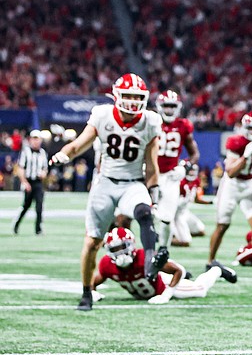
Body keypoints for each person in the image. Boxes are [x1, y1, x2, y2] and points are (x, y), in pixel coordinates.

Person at [49, 73, 166, 311]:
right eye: (128, 96)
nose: (133, 101)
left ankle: (150, 264)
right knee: (92, 242)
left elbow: (152, 164)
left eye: (137, 96)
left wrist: (153, 193)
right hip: (105, 183)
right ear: (116, 96)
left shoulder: (151, 121)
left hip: (133, 182)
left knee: (144, 213)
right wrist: (65, 154)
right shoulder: (102, 115)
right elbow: (78, 143)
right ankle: (86, 291)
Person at [207, 110, 252, 278]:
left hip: (250, 185)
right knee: (222, 226)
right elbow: (230, 172)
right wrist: (245, 155)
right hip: (232, 185)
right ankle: (210, 261)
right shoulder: (236, 141)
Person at [92, 228, 236, 305]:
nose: (120, 253)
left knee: (200, 290)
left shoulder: (144, 257)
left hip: (165, 284)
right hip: (151, 288)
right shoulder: (107, 264)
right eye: (115, 249)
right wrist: (91, 292)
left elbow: (178, 270)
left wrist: (166, 295)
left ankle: (216, 269)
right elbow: (93, 281)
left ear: (131, 245)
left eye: (122, 247)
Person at [154, 90, 199, 248]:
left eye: (172, 106)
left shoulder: (183, 125)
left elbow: (194, 154)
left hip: (170, 177)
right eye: (166, 106)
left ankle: (162, 251)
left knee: (167, 218)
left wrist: (185, 167)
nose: (169, 110)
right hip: (150, 174)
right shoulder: (151, 122)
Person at [13, 130, 48, 235]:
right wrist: (24, 182)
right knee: (26, 206)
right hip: (28, 181)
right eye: (34, 139)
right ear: (31, 140)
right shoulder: (25, 152)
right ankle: (16, 224)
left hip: (38, 182)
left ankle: (38, 229)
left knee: (39, 205)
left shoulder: (43, 153)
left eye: (38, 139)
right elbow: (20, 169)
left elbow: (45, 169)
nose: (36, 141)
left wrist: (43, 174)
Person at [171, 162, 212, 247]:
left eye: (193, 170)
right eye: (190, 170)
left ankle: (180, 233)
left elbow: (196, 199)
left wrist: (208, 203)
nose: (192, 173)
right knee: (186, 242)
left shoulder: (196, 181)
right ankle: (165, 237)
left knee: (201, 231)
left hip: (185, 212)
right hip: (176, 214)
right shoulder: (179, 182)